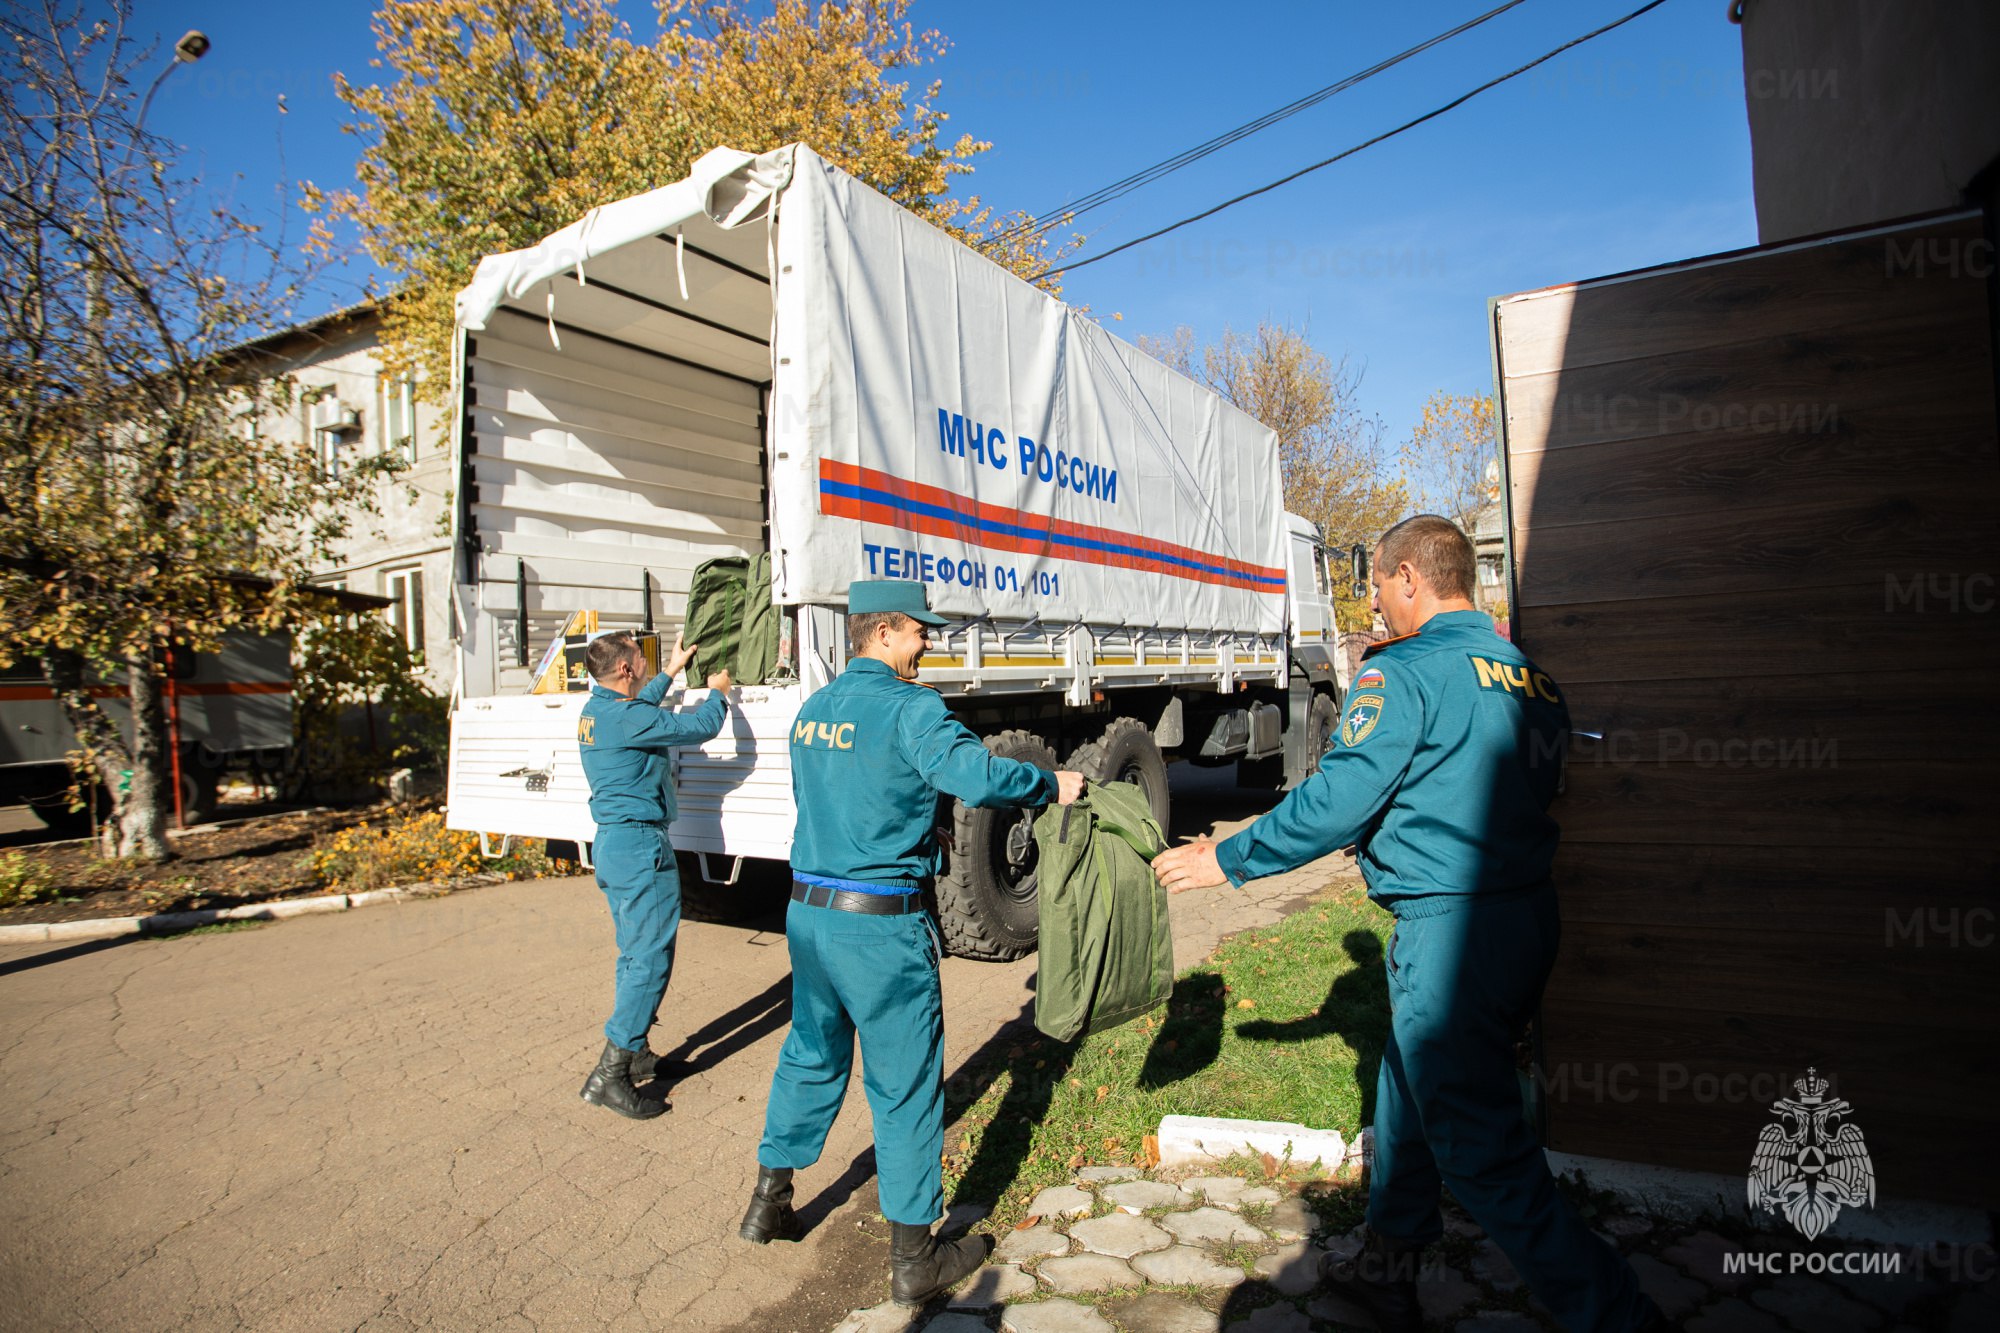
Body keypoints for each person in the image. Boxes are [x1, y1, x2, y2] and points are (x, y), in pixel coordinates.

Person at [1152, 515, 1663, 1333]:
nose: (1378, 604)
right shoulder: (1530, 677)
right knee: (1406, 1083)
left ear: (1410, 580)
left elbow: (1339, 797)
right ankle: (1388, 1262)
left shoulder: (1404, 674)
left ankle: (1620, 1315)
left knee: (1484, 1153)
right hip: (1526, 919)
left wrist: (1229, 857)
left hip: (1451, 932)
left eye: (1380, 586)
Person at [738, 580, 1084, 1308]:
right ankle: (914, 1257)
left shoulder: (813, 711)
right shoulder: (911, 707)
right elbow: (979, 776)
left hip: (809, 914)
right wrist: (1052, 784)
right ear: (886, 631)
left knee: (810, 1051)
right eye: (920, 631)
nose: (929, 642)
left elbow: (829, 802)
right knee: (904, 1083)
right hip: (879, 929)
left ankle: (769, 1198)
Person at [575, 629, 733, 1120]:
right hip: (641, 846)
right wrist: (719, 692)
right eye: (639, 659)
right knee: (649, 960)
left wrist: (670, 669)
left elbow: (636, 710)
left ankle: (637, 1048)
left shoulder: (598, 710)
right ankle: (611, 1073)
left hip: (615, 845)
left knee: (632, 954)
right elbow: (701, 727)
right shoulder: (629, 719)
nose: (643, 663)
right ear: (624, 669)